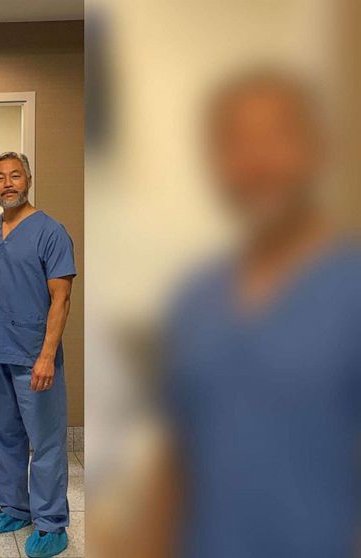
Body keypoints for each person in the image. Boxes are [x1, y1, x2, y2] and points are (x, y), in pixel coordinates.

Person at [136, 72, 361, 558]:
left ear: (319, 148)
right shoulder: (196, 298)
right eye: (234, 142)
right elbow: (176, 458)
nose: (255, 162)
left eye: (276, 137)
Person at [0, 152, 76, 558]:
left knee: (44, 442)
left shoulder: (50, 232)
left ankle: (51, 523)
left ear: (27, 179)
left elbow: (61, 299)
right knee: (6, 437)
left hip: (34, 357)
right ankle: (14, 507)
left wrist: (47, 356)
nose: (7, 183)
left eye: (14, 176)